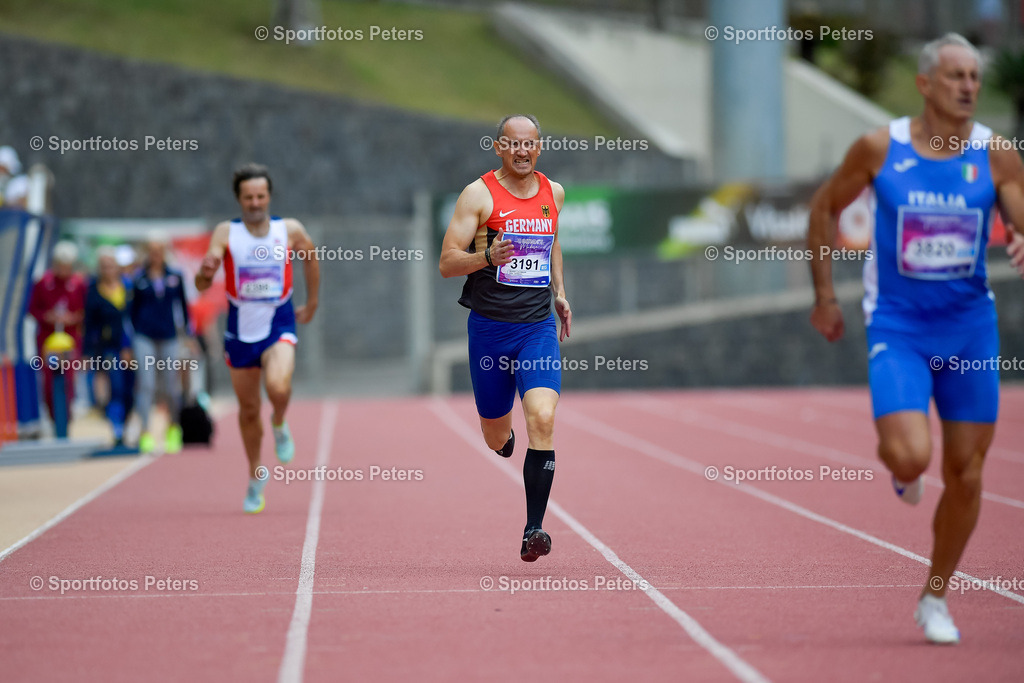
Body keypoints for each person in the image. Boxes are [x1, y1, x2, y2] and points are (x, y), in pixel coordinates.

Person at [808, 33, 1024, 644]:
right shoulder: (881, 148)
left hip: (970, 330)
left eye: (975, 77)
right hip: (899, 328)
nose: (968, 87)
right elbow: (823, 209)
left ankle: (935, 597)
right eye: (955, 76)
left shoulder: (998, 155)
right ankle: (902, 469)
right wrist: (825, 296)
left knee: (969, 472)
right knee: (911, 456)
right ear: (925, 84)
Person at [439, 114, 572, 562]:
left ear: (539, 146)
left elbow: (552, 242)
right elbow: (446, 263)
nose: (522, 151)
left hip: (537, 329)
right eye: (513, 144)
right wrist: (486, 257)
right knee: (497, 434)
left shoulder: (553, 193)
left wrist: (560, 292)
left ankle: (533, 528)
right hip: (491, 330)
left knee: (543, 417)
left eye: (529, 144)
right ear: (499, 147)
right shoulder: (478, 195)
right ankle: (502, 440)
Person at [195, 163, 319, 514]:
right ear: (239, 199)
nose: (255, 202)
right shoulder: (225, 233)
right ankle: (255, 476)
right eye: (248, 197)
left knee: (278, 387)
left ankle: (279, 422)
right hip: (240, 330)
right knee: (248, 411)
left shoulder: (289, 229)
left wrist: (311, 302)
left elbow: (311, 260)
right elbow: (203, 281)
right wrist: (205, 275)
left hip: (279, 322)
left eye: (260, 195)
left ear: (269, 196)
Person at [130, 236, 193, 454]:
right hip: (144, 337)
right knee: (146, 385)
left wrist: (188, 336)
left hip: (169, 336)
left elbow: (184, 308)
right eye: (152, 249)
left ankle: (173, 428)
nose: (156, 254)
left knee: (170, 385)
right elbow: (131, 311)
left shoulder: (174, 276)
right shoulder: (138, 278)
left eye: (159, 249)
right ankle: (145, 431)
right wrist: (129, 342)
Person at [28, 240, 87, 423]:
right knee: (49, 376)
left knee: (68, 376)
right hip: (48, 340)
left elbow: (86, 311)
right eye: (60, 266)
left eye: (67, 266)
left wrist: (74, 318)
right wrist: (47, 316)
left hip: (70, 339)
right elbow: (32, 309)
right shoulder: (43, 283)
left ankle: (66, 414)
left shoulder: (78, 284)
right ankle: (54, 415)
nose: (63, 270)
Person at [83, 246, 133, 447]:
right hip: (109, 348)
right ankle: (117, 428)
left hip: (132, 347)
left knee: (131, 389)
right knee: (117, 387)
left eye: (111, 265)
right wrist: (87, 353)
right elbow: (89, 324)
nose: (108, 270)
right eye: (104, 266)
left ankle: (125, 423)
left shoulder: (129, 288)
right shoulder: (94, 291)